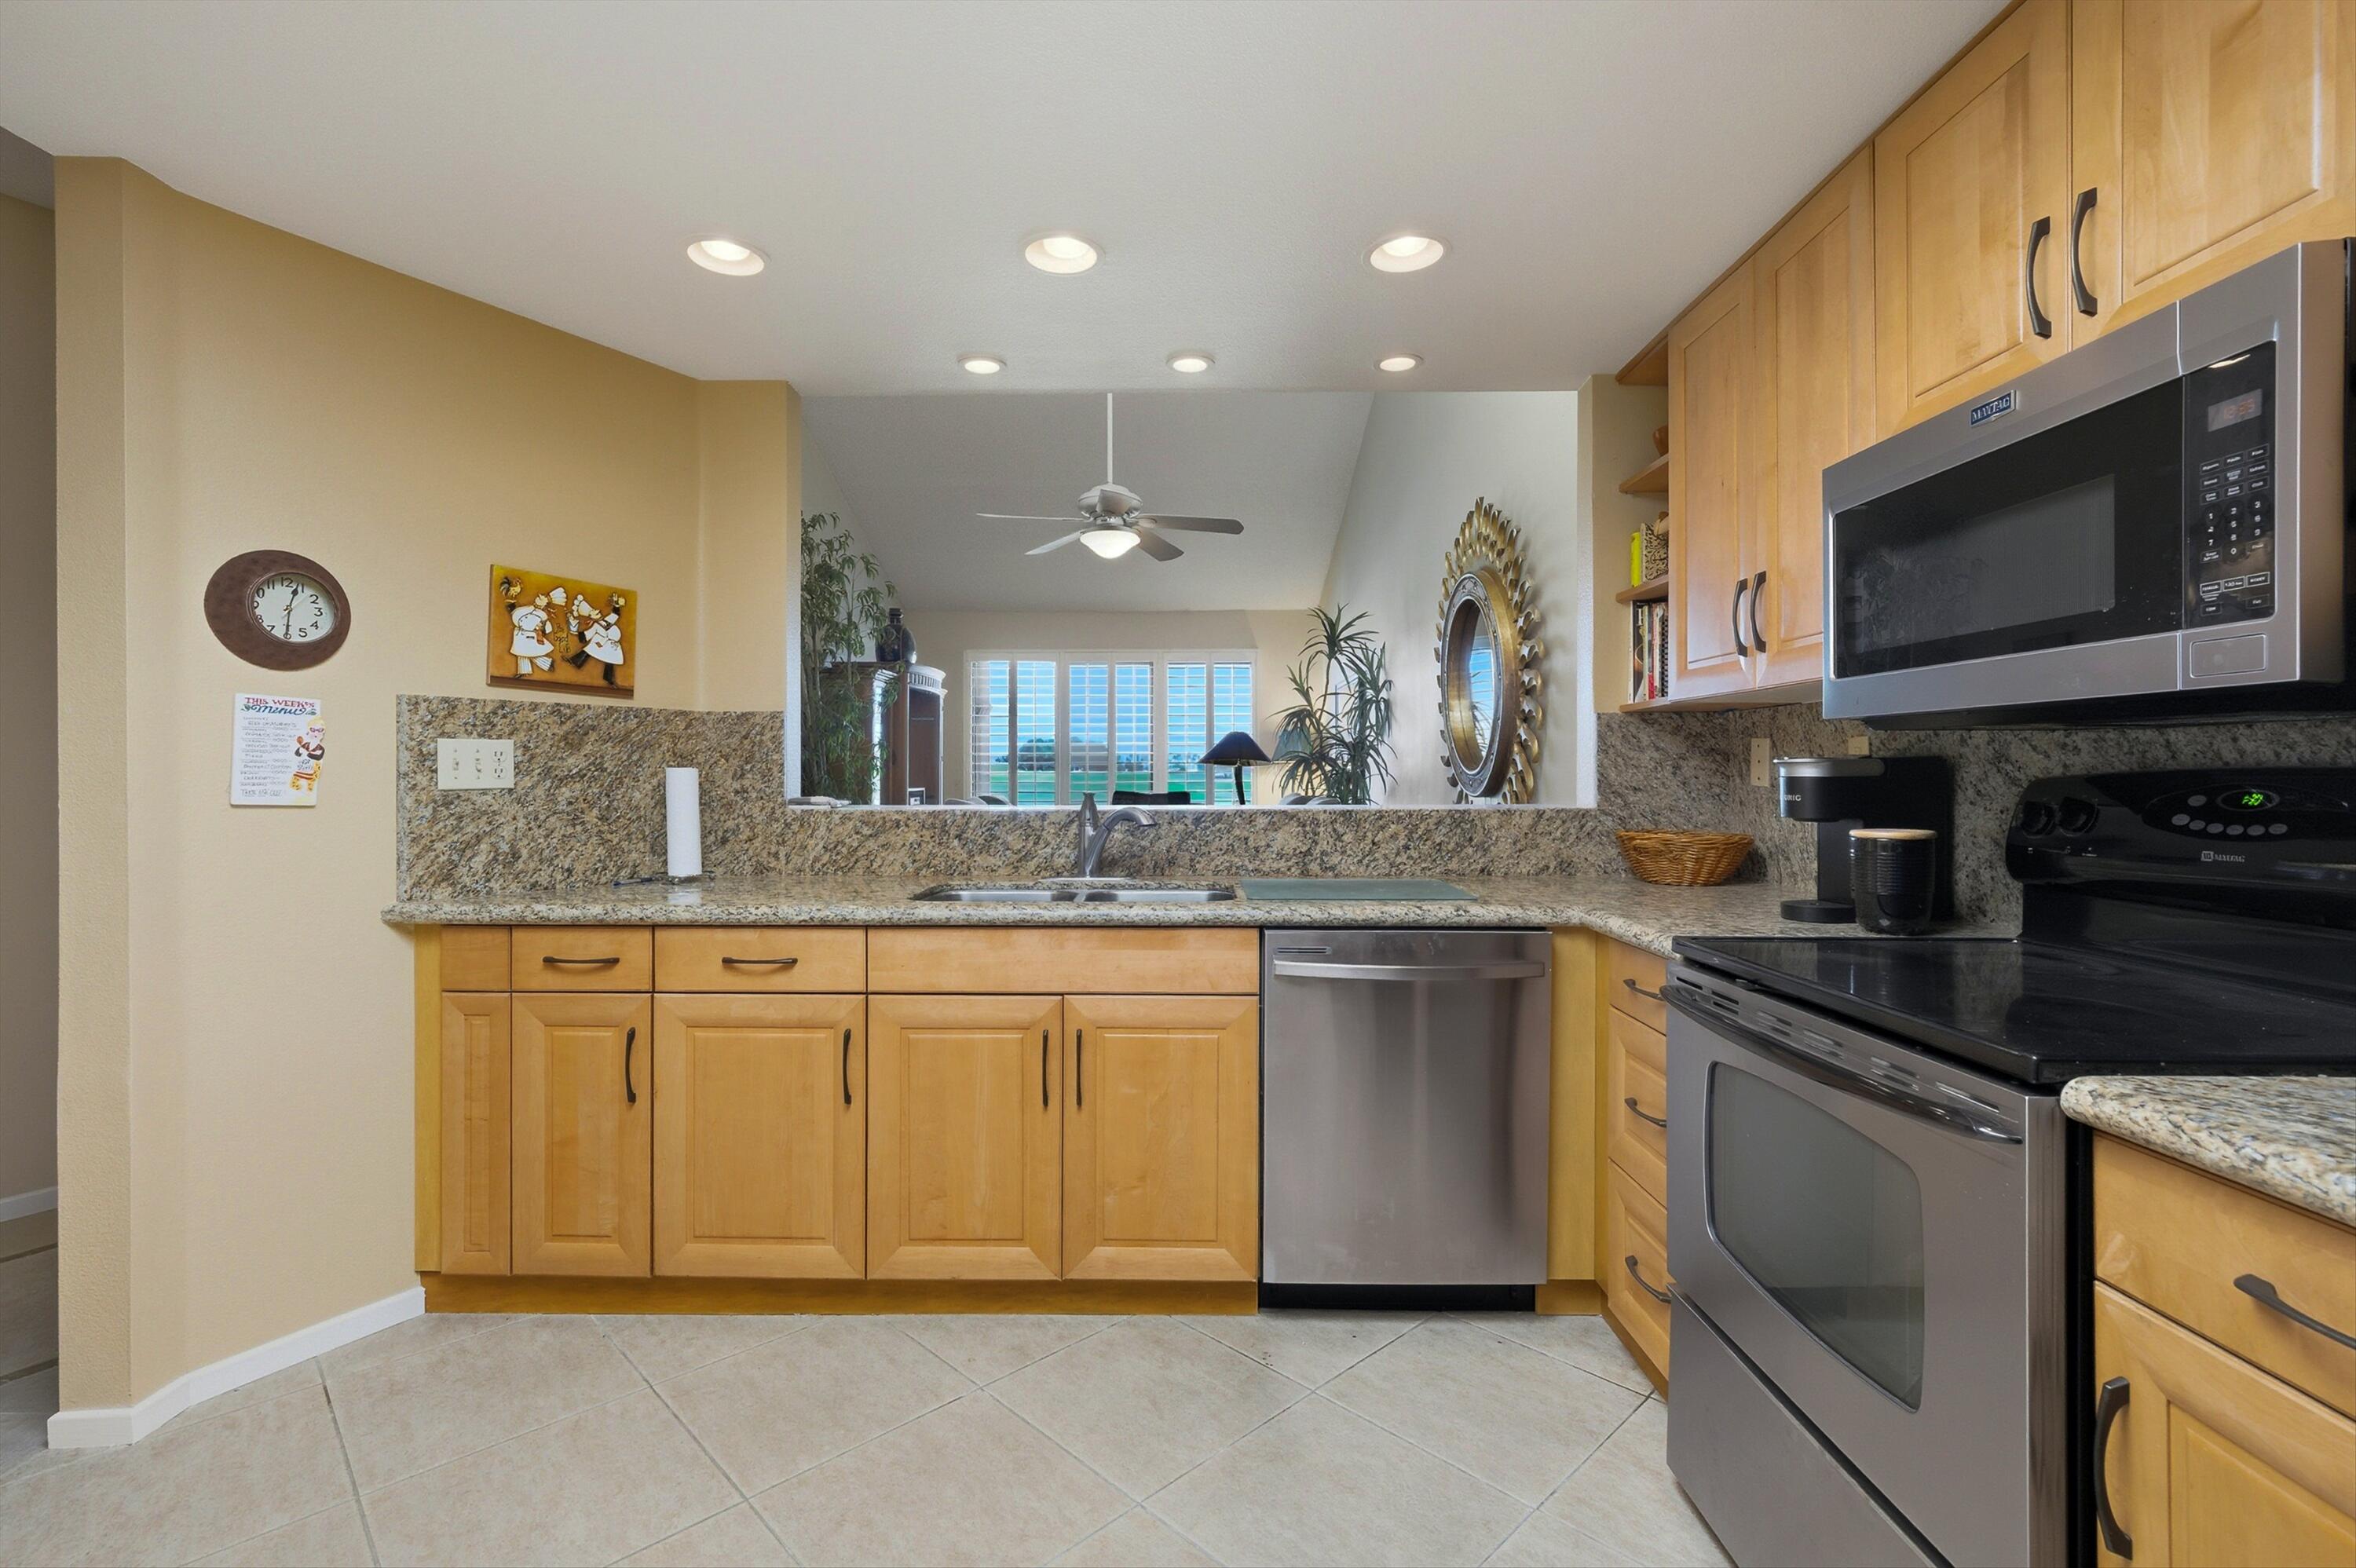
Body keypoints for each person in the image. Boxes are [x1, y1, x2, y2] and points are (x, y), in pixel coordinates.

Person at [510, 593, 555, 675]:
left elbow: (546, 628)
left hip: (529, 636)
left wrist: (539, 629)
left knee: (527, 653)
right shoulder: (528, 611)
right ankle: (525, 671)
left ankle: (547, 664)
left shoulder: (540, 616)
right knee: (522, 652)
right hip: (521, 634)